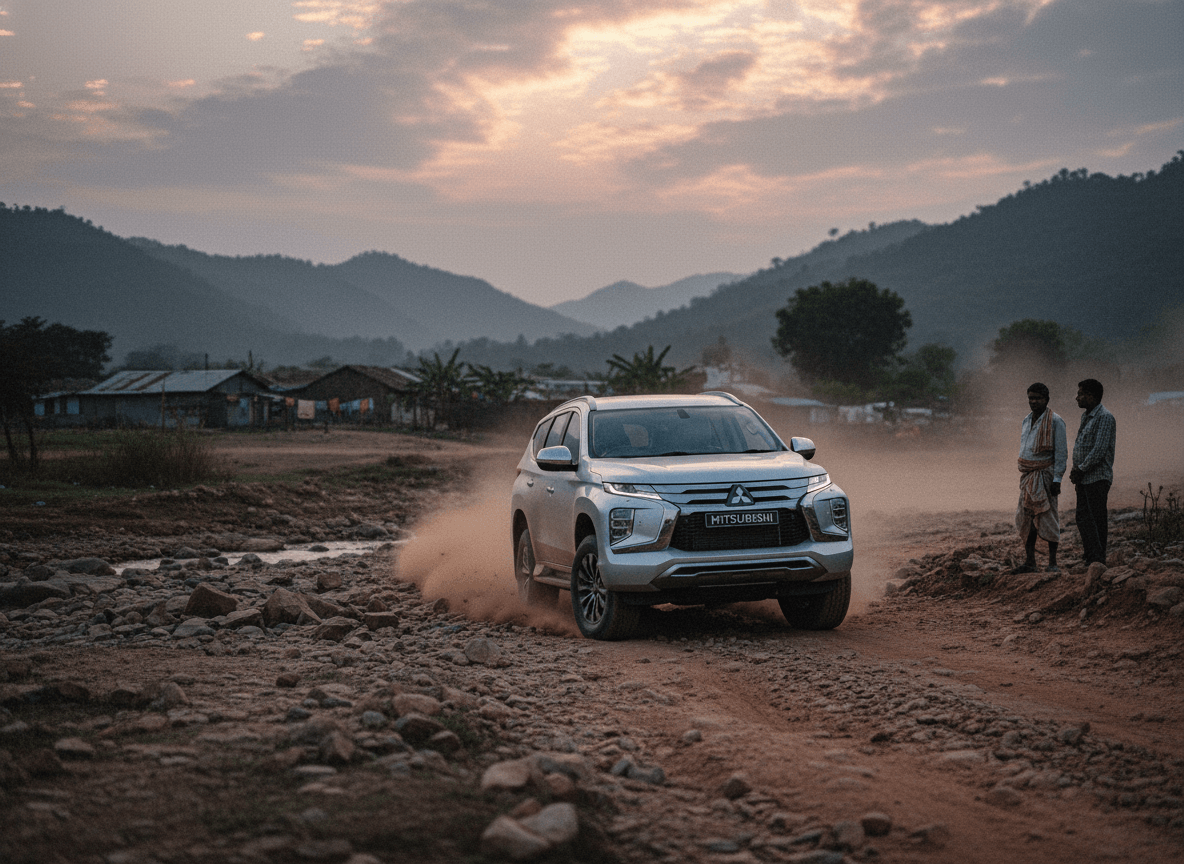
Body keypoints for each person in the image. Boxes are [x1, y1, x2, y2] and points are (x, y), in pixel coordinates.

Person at [1015, 382, 1067, 573]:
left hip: (1046, 477)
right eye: (1030, 398)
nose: (1033, 402)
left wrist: (1057, 479)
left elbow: (1061, 453)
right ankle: (1030, 562)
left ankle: (1052, 563)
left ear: (1047, 400)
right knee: (1026, 519)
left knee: (1049, 518)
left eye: (1037, 398)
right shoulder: (1026, 420)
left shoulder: (1056, 421)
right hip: (1028, 477)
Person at [1070, 378, 1117, 565]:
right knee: (1083, 518)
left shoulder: (1105, 417)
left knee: (1096, 518)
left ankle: (1098, 559)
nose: (1077, 398)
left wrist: (1081, 468)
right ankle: (1091, 555)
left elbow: (1099, 449)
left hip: (1096, 478)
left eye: (1080, 394)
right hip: (1083, 477)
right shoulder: (1087, 416)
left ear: (1091, 396)